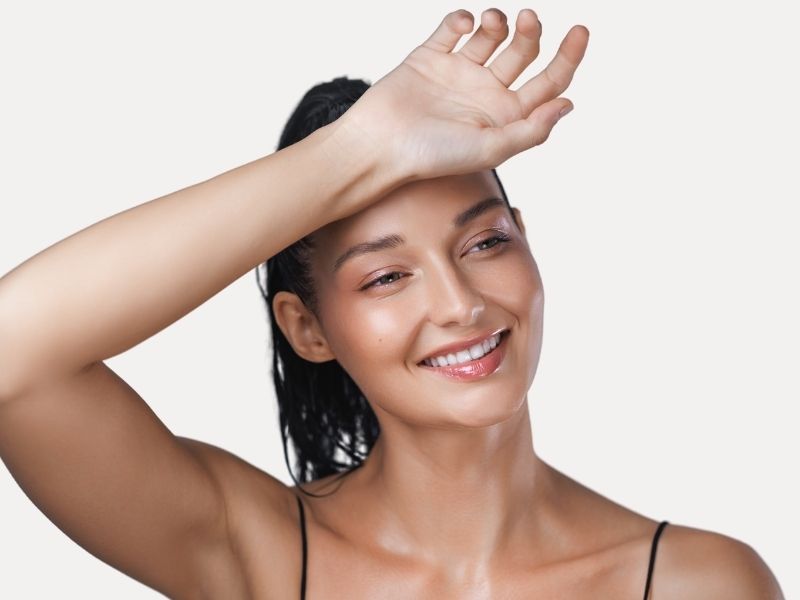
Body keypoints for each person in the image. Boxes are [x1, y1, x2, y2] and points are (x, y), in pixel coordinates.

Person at [0, 7, 784, 599]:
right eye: (385, 276)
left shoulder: (695, 582)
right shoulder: (257, 554)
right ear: (306, 327)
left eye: (485, 243)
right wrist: (355, 154)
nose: (459, 304)